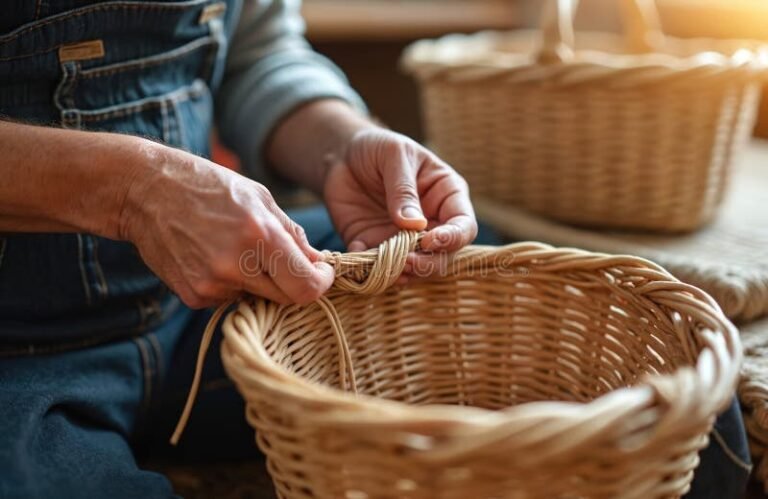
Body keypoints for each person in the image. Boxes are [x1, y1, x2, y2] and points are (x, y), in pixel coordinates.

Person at [0, 1, 751, 498]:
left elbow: (258, 55)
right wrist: (130, 188)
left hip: (230, 297)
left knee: (689, 410)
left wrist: (341, 147)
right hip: (19, 349)